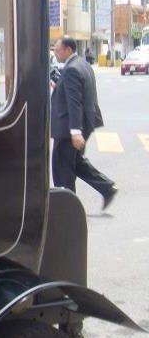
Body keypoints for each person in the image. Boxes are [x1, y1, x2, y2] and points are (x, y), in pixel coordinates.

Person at [50, 36, 117, 209]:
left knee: (62, 168)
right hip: (85, 123)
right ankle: (107, 188)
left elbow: (75, 102)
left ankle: (67, 208)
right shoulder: (82, 64)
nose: (55, 54)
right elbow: (76, 92)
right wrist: (58, 85)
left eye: (57, 50)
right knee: (75, 162)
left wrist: (75, 131)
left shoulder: (72, 69)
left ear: (68, 50)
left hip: (69, 128)